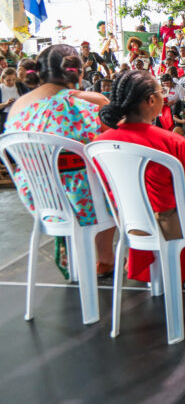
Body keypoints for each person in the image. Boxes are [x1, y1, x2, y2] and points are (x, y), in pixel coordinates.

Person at [95, 70, 185, 289]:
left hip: (131, 224)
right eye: (161, 92)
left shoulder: (100, 143)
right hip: (171, 223)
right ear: (151, 100)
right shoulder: (172, 141)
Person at [6, 45, 115, 279]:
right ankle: (105, 259)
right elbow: (118, 140)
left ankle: (79, 251)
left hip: (39, 195)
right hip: (84, 199)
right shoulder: (91, 101)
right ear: (77, 71)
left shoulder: (18, 106)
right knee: (108, 173)